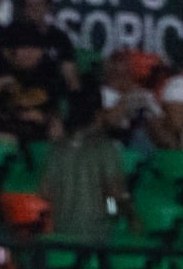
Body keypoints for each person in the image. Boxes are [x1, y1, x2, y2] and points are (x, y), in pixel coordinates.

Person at [40, 96, 129, 242]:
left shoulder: (57, 150)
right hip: (96, 237)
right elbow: (112, 193)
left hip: (62, 237)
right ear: (96, 116)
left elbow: (45, 191)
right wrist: (112, 213)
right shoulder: (105, 148)